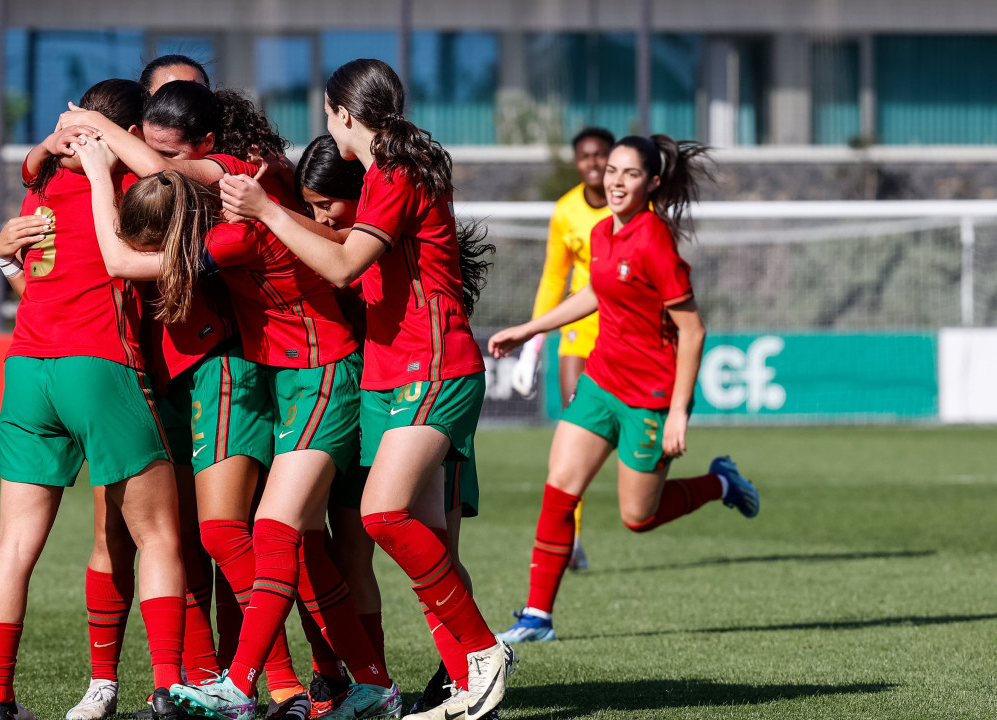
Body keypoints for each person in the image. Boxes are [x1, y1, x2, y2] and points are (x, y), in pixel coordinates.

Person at [219, 58, 516, 720]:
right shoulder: (390, 171)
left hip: (432, 366)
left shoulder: (395, 172)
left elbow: (346, 263)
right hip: (397, 370)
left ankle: (483, 652)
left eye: (327, 113)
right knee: (426, 539)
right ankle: (473, 686)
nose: (325, 123)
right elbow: (350, 252)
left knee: (384, 516)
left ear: (342, 115)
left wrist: (266, 209)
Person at [77, 134, 400, 720]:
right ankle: (371, 685)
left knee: (271, 532)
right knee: (298, 545)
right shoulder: (237, 203)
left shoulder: (233, 238)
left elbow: (121, 261)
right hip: (296, 380)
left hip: (323, 372)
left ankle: (246, 685)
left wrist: (100, 173)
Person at [487, 135, 761, 645]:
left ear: (652, 183)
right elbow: (594, 291)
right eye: (612, 170)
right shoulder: (601, 232)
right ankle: (536, 617)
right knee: (559, 489)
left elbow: (693, 330)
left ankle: (720, 483)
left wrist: (678, 413)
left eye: (630, 173)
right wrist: (531, 330)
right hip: (601, 381)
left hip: (650, 396)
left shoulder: (656, 241)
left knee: (639, 517)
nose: (615, 180)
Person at [20, 58, 222, 720]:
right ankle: (111, 682)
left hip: (206, 374)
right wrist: (4, 250)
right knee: (122, 535)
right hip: (131, 375)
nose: (162, 128)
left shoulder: (192, 177)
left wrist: (93, 137)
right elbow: (43, 266)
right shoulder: (77, 178)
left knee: (209, 535)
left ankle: (222, 679)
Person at [0, 79, 186, 720]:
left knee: (14, 544)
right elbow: (169, 181)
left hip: (26, 371)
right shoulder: (127, 190)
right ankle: (166, 692)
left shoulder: (40, 188)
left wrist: (49, 148)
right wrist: (102, 146)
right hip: (96, 367)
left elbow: (30, 275)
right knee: (158, 537)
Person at [280, 134, 495, 716]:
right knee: (411, 546)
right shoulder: (367, 229)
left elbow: (346, 266)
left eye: (329, 205)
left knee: (422, 540)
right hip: (386, 389)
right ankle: (453, 682)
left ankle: (476, 663)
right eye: (313, 208)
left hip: (430, 382)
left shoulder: (391, 210)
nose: (321, 217)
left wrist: (267, 211)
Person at [501, 127, 615, 589]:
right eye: (585, 156)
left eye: (600, 156)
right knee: (574, 428)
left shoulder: (632, 203)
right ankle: (572, 536)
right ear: (577, 161)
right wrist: (534, 343)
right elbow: (554, 280)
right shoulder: (566, 210)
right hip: (577, 330)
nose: (593, 164)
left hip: (623, 332)